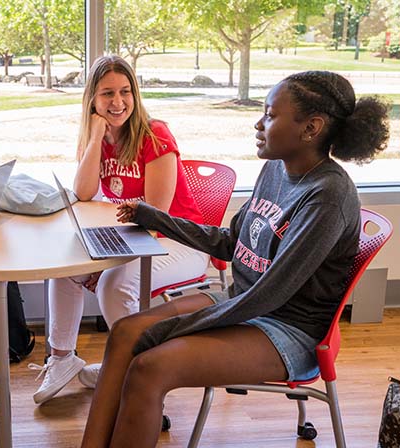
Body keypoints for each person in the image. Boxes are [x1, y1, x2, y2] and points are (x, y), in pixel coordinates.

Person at [81, 70, 390, 447]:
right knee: (126, 332)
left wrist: (174, 328)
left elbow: (270, 296)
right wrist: (153, 215)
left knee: (148, 367)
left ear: (311, 128)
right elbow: (230, 242)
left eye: (271, 115)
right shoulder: (275, 168)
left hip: (287, 331)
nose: (258, 123)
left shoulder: (327, 197)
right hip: (242, 302)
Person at [32, 55, 209, 404]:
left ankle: (136, 371)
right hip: (133, 238)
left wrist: (110, 260)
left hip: (178, 240)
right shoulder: (96, 135)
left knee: (114, 286)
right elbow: (83, 193)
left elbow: (155, 214)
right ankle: (62, 359)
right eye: (107, 93)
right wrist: (96, 137)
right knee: (66, 269)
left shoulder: (154, 135)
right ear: (93, 101)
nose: (118, 102)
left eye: (126, 91)